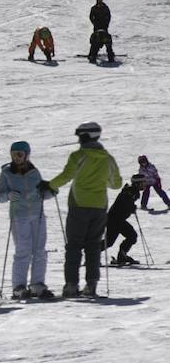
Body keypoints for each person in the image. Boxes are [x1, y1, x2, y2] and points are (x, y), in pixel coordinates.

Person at [43, 121, 122, 297]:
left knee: (74, 246)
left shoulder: (78, 156)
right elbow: (116, 184)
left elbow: (66, 176)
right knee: (93, 246)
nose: (79, 140)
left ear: (86, 137)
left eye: (80, 136)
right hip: (99, 207)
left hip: (79, 205)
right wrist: (103, 181)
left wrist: (49, 185)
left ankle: (71, 285)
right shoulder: (107, 158)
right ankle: (91, 285)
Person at [0, 141, 55, 300]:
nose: (16, 158)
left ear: (27, 155)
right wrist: (7, 195)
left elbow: (41, 194)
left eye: (20, 154)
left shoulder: (34, 172)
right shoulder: (6, 173)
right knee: (23, 250)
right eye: (14, 154)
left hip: (38, 214)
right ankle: (18, 286)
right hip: (19, 216)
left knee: (39, 250)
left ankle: (37, 284)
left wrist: (50, 191)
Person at [106, 174, 145, 266]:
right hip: (114, 219)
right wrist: (132, 207)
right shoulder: (131, 191)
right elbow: (124, 200)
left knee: (130, 236)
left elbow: (125, 202)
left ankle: (122, 256)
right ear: (138, 183)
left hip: (117, 219)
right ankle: (91, 255)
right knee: (110, 242)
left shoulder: (132, 191)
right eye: (143, 182)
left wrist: (131, 207)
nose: (144, 184)